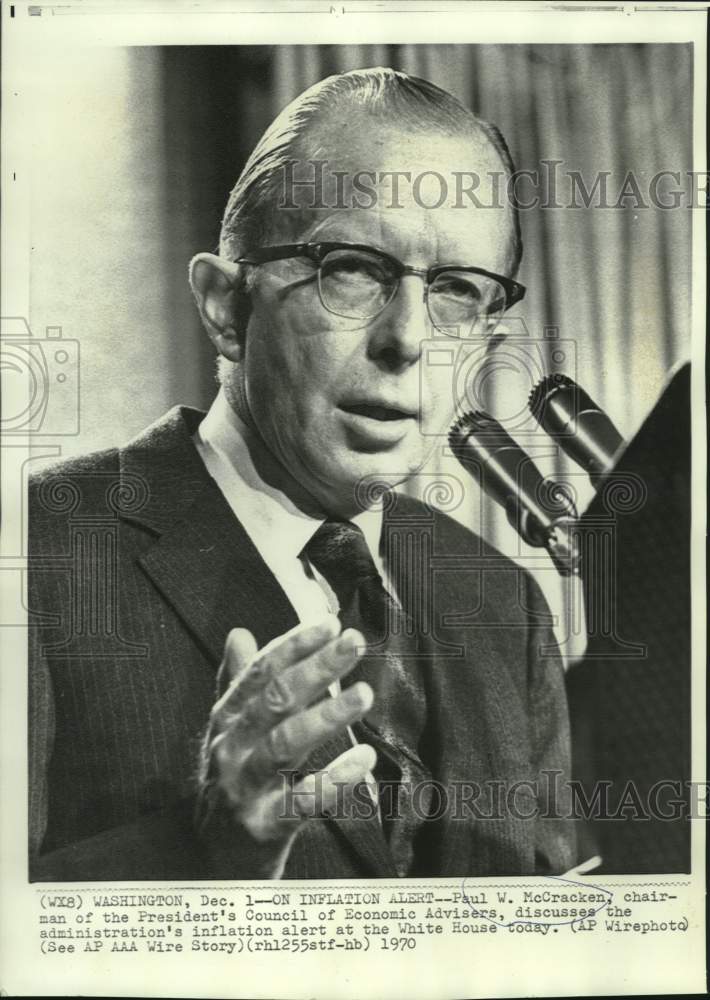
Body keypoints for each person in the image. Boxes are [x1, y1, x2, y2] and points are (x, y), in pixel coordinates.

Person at [28, 67, 576, 880]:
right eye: (354, 268)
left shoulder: (504, 605)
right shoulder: (38, 551)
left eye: (457, 290)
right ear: (224, 305)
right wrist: (203, 850)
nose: (410, 340)